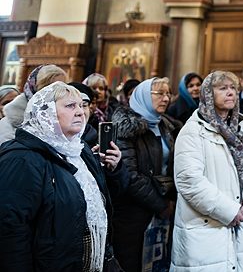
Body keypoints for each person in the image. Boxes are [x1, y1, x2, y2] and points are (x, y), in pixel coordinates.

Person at [0, 82, 126, 271]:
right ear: (46, 113)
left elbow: (107, 202)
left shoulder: (81, 151)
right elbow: (11, 230)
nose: (80, 112)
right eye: (70, 106)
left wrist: (113, 170)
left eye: (82, 105)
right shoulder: (21, 158)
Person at [171, 71, 243, 271]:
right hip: (206, 227)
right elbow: (189, 181)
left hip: (241, 223)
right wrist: (230, 211)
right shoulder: (193, 131)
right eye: (222, 88)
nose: (230, 92)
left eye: (233, 88)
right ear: (207, 94)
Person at [112, 77, 180, 272]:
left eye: (168, 93)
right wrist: (160, 205)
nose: (166, 98)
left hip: (164, 208)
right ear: (142, 96)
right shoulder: (126, 127)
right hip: (133, 214)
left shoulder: (167, 126)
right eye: (160, 93)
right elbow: (130, 175)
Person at [0, 64, 68, 143]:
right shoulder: (10, 121)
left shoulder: (62, 118)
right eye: (50, 88)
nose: (57, 93)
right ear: (35, 89)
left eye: (62, 87)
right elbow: (10, 152)